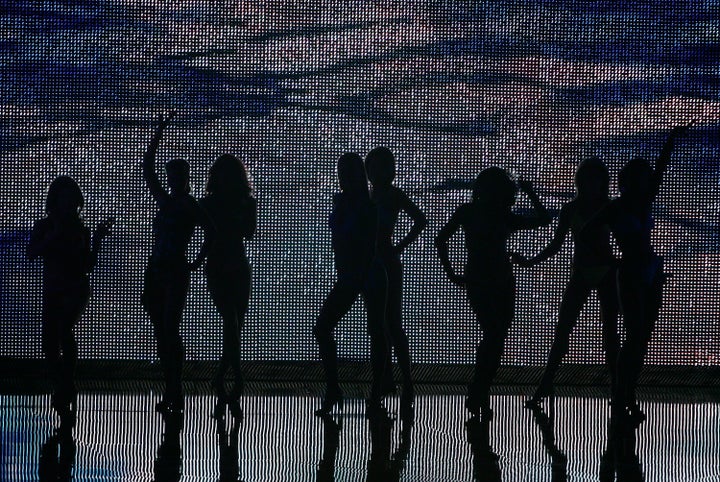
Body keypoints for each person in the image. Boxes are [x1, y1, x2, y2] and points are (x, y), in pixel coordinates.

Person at [587, 123, 693, 426]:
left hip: (648, 271)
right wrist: (611, 259)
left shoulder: (639, 202)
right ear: (630, 180)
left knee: (641, 338)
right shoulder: (618, 207)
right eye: (642, 176)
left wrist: (671, 140)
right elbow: (586, 233)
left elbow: (661, 169)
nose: (647, 180)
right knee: (634, 337)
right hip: (633, 272)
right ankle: (622, 396)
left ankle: (626, 394)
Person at [435, 167, 551, 421]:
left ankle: (479, 388)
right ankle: (479, 388)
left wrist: (452, 273)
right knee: (496, 336)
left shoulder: (470, 212)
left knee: (493, 334)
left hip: (480, 280)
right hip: (499, 281)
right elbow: (544, 220)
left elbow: (440, 239)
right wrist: (531, 193)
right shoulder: (503, 216)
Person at [513, 158, 619, 408]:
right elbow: (556, 245)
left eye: (596, 180)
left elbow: (625, 239)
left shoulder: (606, 207)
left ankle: (617, 387)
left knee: (610, 334)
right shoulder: (571, 209)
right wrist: (531, 261)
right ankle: (547, 383)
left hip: (604, 272)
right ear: (581, 181)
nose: (592, 184)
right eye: (588, 179)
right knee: (564, 330)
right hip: (583, 272)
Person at [28, 176, 112, 430]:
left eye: (71, 199)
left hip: (74, 288)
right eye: (64, 198)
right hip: (54, 289)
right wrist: (54, 234)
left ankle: (66, 385)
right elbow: (31, 253)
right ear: (56, 200)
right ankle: (63, 384)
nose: (69, 204)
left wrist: (96, 239)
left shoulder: (80, 230)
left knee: (64, 331)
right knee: (50, 343)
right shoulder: (44, 226)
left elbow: (87, 265)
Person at [141, 112, 211, 415]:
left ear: (185, 178)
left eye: (178, 176)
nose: (173, 180)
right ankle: (172, 386)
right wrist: (159, 132)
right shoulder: (169, 201)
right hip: (158, 270)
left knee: (168, 328)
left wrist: (196, 260)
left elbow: (211, 230)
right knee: (163, 329)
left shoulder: (185, 204)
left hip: (171, 271)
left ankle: (175, 387)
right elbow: (148, 169)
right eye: (172, 176)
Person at [313, 153, 389, 417]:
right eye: (340, 171)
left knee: (376, 332)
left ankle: (374, 394)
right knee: (325, 328)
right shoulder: (347, 202)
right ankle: (338, 389)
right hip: (356, 274)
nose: (342, 177)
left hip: (367, 274)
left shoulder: (366, 207)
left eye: (347, 172)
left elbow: (363, 245)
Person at [364, 147, 427, 422]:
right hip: (373, 263)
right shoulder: (373, 195)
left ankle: (405, 381)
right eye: (371, 168)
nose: (374, 173)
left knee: (390, 323)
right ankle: (390, 379)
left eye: (378, 168)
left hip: (385, 263)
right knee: (381, 324)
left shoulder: (388, 195)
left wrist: (397, 247)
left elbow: (420, 220)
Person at [199, 154, 257, 420]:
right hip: (225, 266)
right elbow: (247, 232)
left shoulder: (214, 204)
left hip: (230, 266)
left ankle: (223, 374)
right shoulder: (214, 204)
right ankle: (235, 378)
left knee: (234, 323)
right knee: (232, 323)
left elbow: (249, 232)